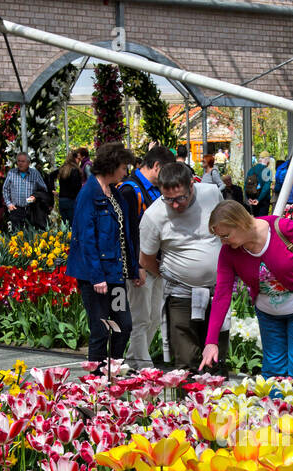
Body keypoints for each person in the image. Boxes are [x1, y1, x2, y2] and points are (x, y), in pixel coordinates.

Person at [201, 199, 293, 377]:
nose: (223, 242)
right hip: (268, 313)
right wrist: (211, 341)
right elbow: (221, 295)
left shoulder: (283, 229)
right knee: (273, 369)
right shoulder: (229, 252)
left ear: (240, 223)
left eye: (225, 235)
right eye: (219, 237)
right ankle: (274, 405)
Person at [138, 161, 226, 373]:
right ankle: (187, 402)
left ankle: (219, 403)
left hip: (217, 292)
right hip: (180, 294)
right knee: (187, 360)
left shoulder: (211, 194)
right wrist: (171, 275)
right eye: (168, 199)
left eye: (180, 198)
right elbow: (146, 259)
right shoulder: (154, 215)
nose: (175, 205)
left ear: (192, 186)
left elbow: (225, 225)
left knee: (216, 357)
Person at [67, 141, 141, 365]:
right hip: (96, 278)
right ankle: (97, 379)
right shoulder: (89, 194)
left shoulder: (114, 194)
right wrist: (97, 276)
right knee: (100, 329)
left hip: (115, 275)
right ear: (112, 166)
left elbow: (124, 235)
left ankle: (114, 368)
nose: (125, 171)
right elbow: (86, 238)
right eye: (122, 167)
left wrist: (133, 269)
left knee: (124, 324)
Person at [119, 146, 174, 366]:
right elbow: (127, 233)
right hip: (140, 265)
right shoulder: (130, 190)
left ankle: (135, 359)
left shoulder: (154, 189)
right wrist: (135, 267)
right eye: (167, 171)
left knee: (153, 319)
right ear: (157, 166)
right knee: (141, 317)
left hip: (157, 264)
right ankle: (141, 364)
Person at [2, 153, 47, 232]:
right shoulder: (11, 173)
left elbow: (43, 189)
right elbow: (5, 189)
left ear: (28, 163)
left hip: (31, 209)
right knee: (16, 234)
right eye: (18, 161)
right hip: (16, 209)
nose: (20, 163)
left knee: (31, 234)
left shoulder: (35, 173)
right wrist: (9, 203)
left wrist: (35, 197)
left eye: (23, 161)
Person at [55, 155, 82, 224]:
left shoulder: (62, 169)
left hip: (62, 200)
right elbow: (76, 187)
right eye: (78, 159)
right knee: (73, 225)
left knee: (65, 226)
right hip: (71, 201)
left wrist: (52, 189)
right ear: (74, 159)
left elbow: (51, 176)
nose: (79, 161)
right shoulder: (74, 170)